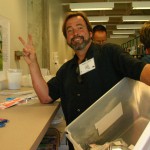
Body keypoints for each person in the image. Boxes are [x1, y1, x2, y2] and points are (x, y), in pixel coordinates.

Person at [19, 12, 150, 150]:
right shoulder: (66, 71)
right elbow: (45, 96)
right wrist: (32, 63)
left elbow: (142, 71)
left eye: (80, 27)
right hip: (78, 145)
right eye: (69, 30)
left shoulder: (110, 54)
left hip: (113, 143)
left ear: (90, 33)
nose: (75, 33)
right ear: (67, 38)